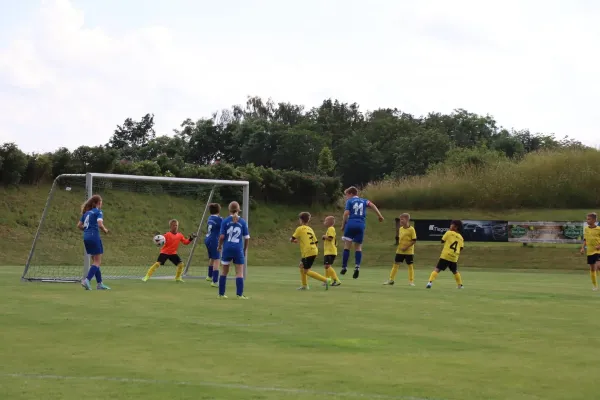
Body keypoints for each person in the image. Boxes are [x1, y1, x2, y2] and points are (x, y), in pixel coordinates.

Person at [340, 186, 384, 279]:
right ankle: (357, 267)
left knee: (347, 245)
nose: (346, 197)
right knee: (358, 247)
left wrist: (343, 225)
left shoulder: (350, 201)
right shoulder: (364, 201)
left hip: (351, 223)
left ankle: (344, 267)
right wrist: (379, 215)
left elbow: (346, 214)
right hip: (360, 225)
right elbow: (372, 205)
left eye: (347, 195)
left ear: (351, 194)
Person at [291, 212, 332, 290]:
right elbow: (316, 241)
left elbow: (292, 238)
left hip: (308, 251)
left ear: (300, 220)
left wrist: (293, 240)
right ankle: (304, 286)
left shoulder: (300, 228)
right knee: (301, 266)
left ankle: (326, 280)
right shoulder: (310, 229)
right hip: (313, 249)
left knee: (306, 271)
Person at [217, 201, 249, 299]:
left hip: (227, 248)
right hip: (238, 249)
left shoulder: (225, 221)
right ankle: (239, 294)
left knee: (224, 272)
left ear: (229, 210)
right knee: (239, 272)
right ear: (239, 210)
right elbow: (247, 237)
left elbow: (222, 237)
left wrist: (219, 246)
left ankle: (221, 294)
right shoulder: (243, 222)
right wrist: (244, 249)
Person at [78, 194, 110, 290]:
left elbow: (79, 225)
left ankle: (99, 284)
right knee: (97, 261)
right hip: (94, 237)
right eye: (101, 203)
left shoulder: (86, 213)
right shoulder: (98, 211)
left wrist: (87, 229)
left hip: (86, 237)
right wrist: (105, 230)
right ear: (98, 203)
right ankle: (86, 280)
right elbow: (100, 224)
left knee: (95, 261)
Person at [426, 220, 464, 289]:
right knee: (455, 271)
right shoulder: (461, 237)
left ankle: (430, 282)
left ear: (455, 227)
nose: (450, 226)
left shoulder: (449, 233)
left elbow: (442, 241)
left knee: (437, 269)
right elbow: (461, 248)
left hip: (446, 255)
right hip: (454, 257)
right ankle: (460, 285)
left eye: (451, 225)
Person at [383, 213, 416, 286]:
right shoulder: (400, 229)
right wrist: (400, 246)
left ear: (407, 220)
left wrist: (406, 247)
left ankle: (411, 281)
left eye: (402, 219)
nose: (401, 221)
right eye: (400, 219)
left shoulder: (411, 229)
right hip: (400, 251)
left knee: (410, 265)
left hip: (409, 251)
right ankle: (391, 280)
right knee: (395, 264)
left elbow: (414, 240)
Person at [581, 212, 600, 291]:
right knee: (592, 269)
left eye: (589, 219)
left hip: (598, 251)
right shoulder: (586, 229)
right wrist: (582, 248)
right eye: (587, 219)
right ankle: (595, 286)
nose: (587, 220)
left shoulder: (599, 229)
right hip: (590, 251)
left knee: (598, 266)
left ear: (594, 220)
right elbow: (585, 240)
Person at [205, 203, 223, 288]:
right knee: (217, 259)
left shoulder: (210, 218)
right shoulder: (219, 220)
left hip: (207, 239)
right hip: (214, 240)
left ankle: (209, 276)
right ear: (219, 210)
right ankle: (215, 281)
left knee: (212, 258)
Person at [322, 216, 341, 286]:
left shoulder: (331, 228)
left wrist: (324, 236)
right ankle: (327, 281)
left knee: (327, 266)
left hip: (330, 251)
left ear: (329, 222)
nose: (324, 222)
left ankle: (336, 280)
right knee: (326, 266)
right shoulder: (330, 229)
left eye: (325, 221)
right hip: (329, 251)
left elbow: (330, 238)